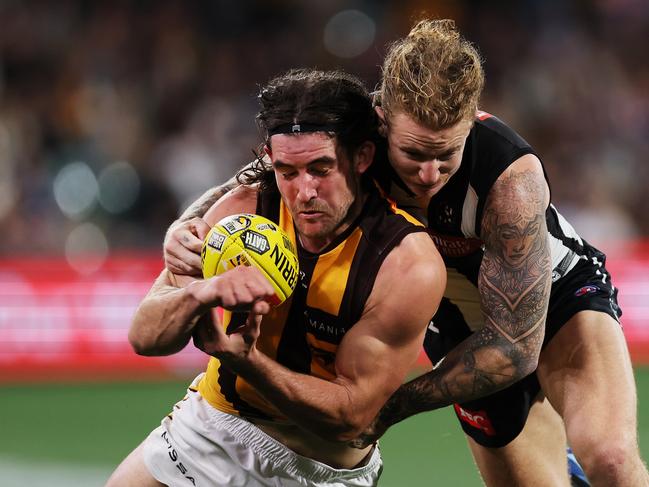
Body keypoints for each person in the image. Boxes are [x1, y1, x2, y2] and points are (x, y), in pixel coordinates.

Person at [164, 20, 649, 487]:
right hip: (456, 322)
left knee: (609, 457)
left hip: (555, 298)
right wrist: (185, 226)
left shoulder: (511, 180)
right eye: (414, 154)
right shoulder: (349, 132)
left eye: (447, 155)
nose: (430, 175)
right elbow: (257, 172)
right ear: (381, 123)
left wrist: (388, 406)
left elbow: (515, 347)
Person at [106, 69, 445, 487]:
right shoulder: (239, 215)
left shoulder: (405, 262)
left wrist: (244, 360)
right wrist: (200, 294)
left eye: (321, 169)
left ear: (361, 156)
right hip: (212, 429)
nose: (304, 192)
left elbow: (350, 416)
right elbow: (145, 337)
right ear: (269, 158)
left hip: (320, 472)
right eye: (287, 171)